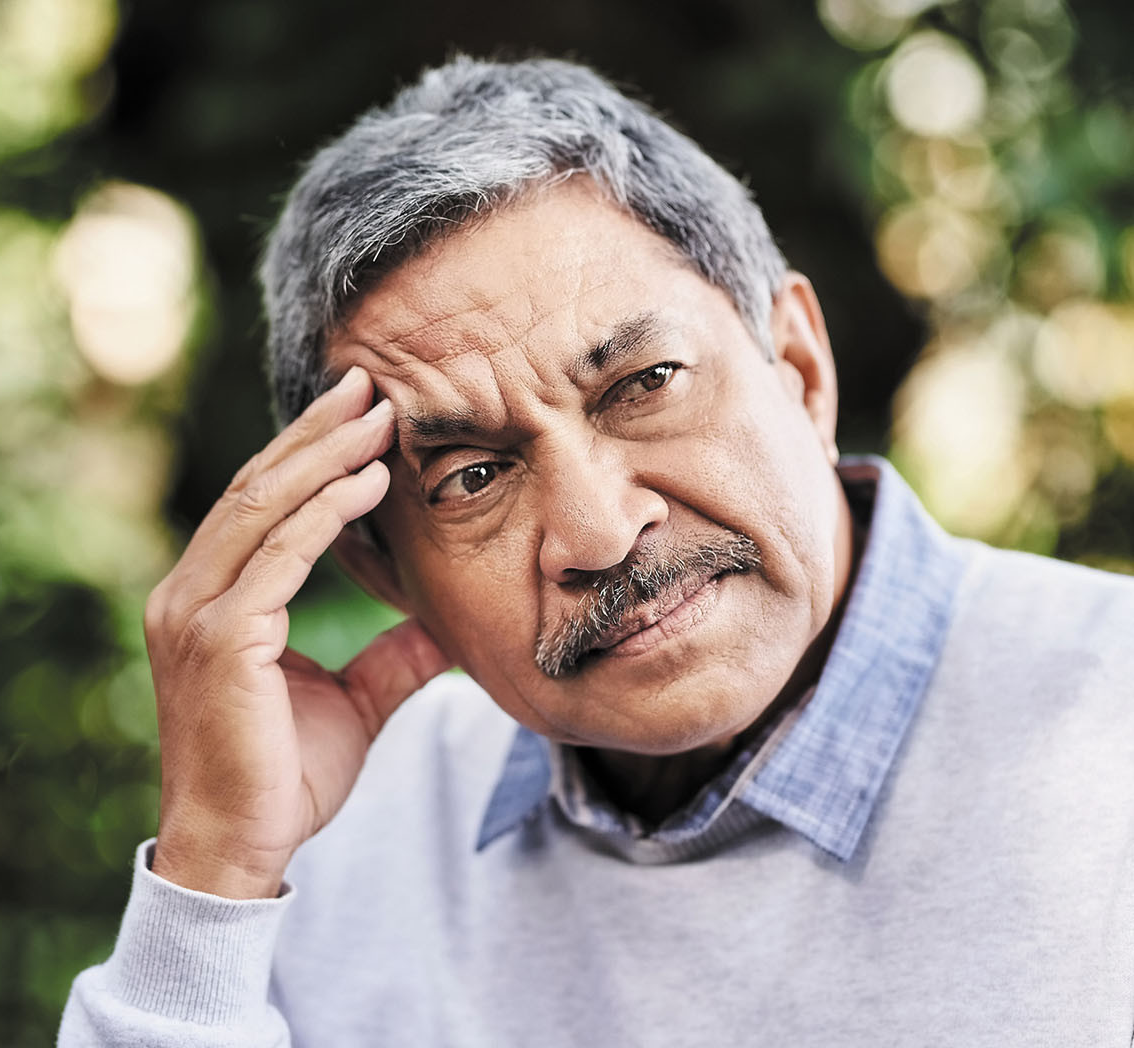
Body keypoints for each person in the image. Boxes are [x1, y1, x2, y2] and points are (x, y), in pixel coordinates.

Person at [59, 57, 1134, 1046]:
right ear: (387, 575)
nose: (602, 532)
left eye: (645, 385)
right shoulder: (323, 842)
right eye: (473, 476)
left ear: (800, 369)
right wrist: (216, 876)